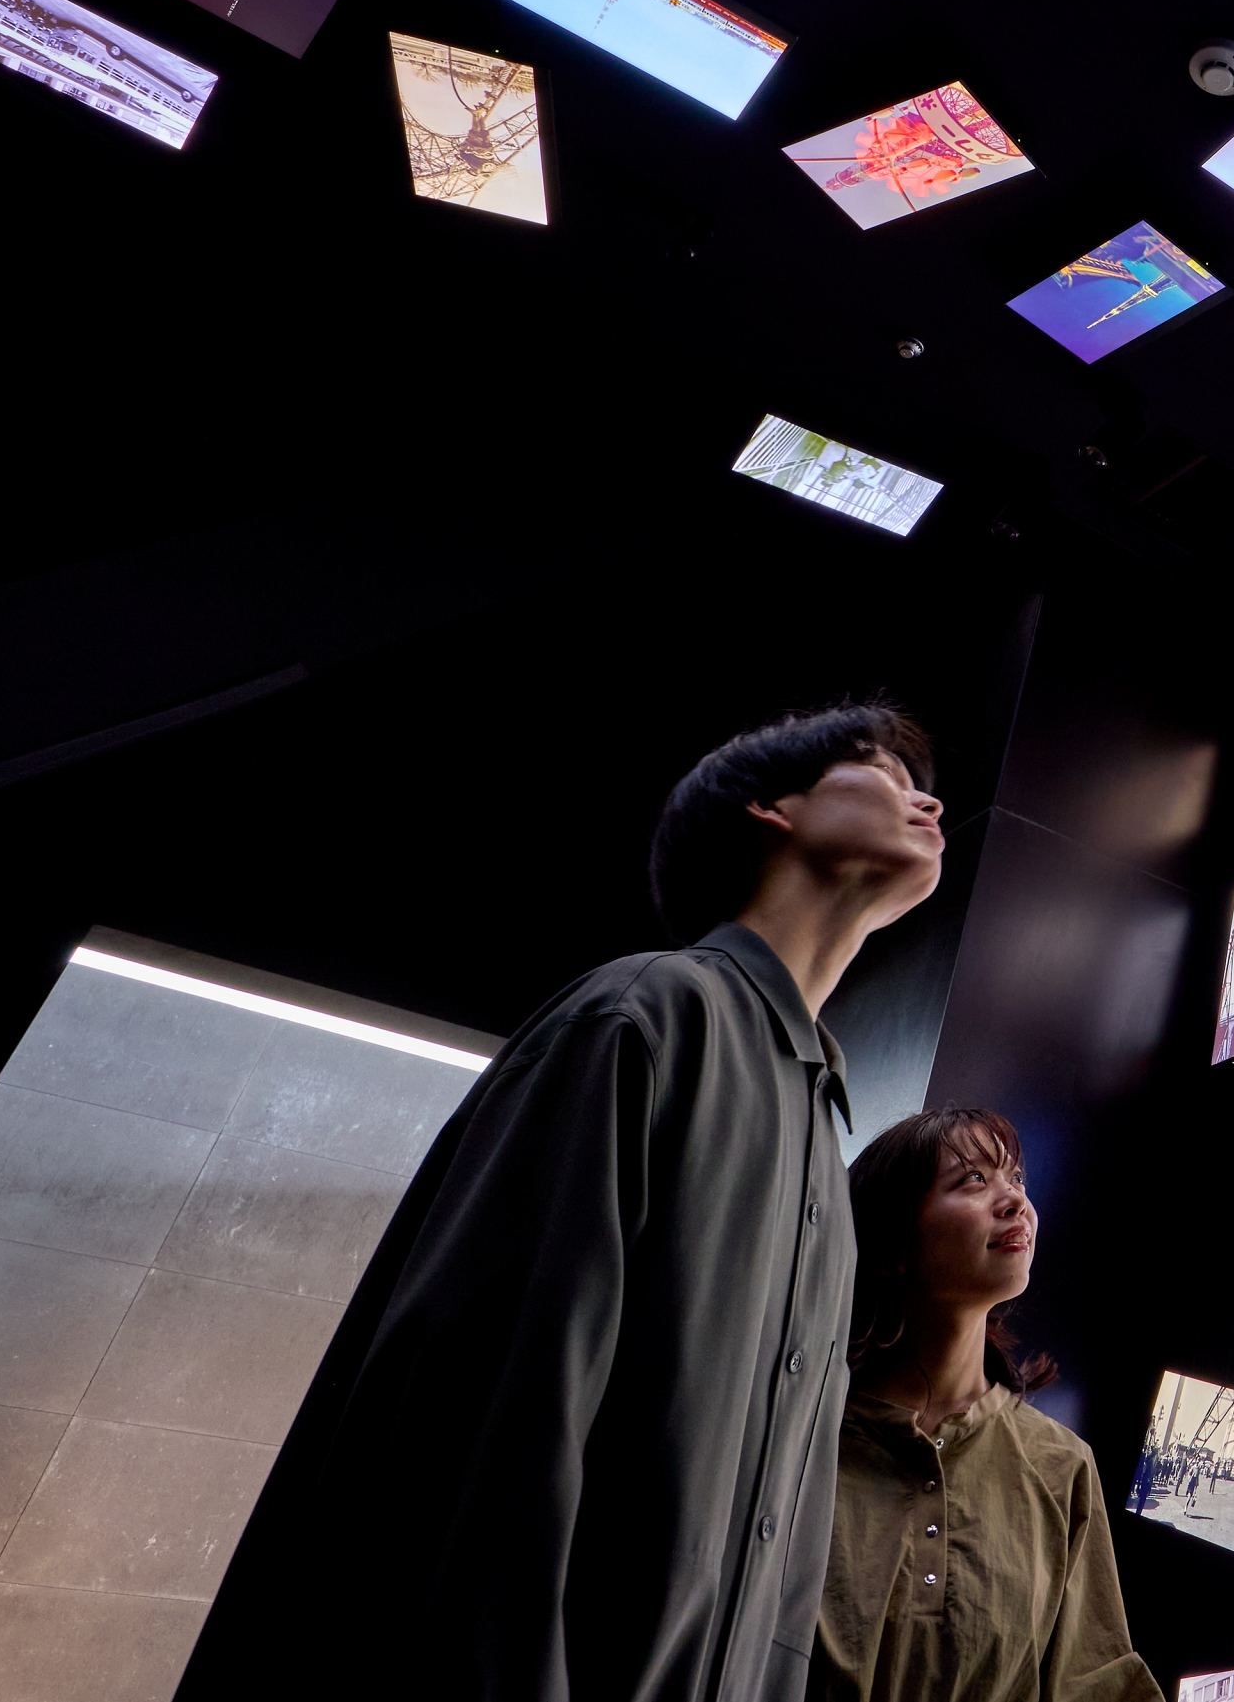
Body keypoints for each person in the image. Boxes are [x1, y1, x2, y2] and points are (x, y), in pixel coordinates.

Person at [186, 703, 948, 1702]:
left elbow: (783, 1547)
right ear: (774, 808)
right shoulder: (646, 1016)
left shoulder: (818, 1117)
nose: (928, 802)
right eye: (886, 773)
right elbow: (485, 1432)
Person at [816, 1110, 1159, 1702]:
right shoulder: (803, 1438)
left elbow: (1098, 1683)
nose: (1016, 1200)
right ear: (893, 1243)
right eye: (973, 1179)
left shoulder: (1062, 1465)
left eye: (1017, 1178)